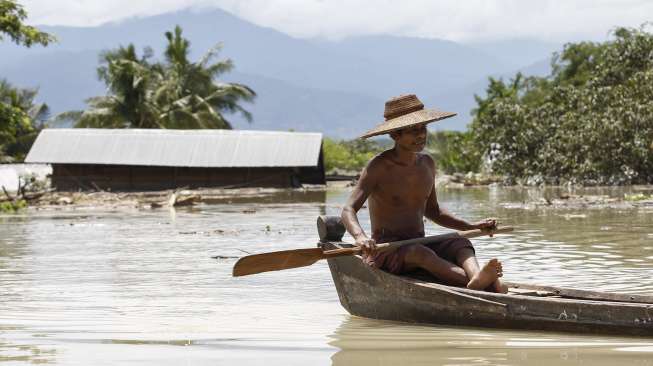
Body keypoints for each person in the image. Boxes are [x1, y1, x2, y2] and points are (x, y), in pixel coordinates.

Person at [341, 94, 507, 293]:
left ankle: (476, 278)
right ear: (395, 135)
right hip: (388, 250)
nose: (421, 135)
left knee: (460, 241)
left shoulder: (427, 164)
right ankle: (487, 286)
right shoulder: (378, 167)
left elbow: (434, 211)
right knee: (421, 254)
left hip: (419, 241)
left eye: (423, 129)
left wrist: (472, 225)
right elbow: (348, 209)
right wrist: (360, 237)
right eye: (413, 131)